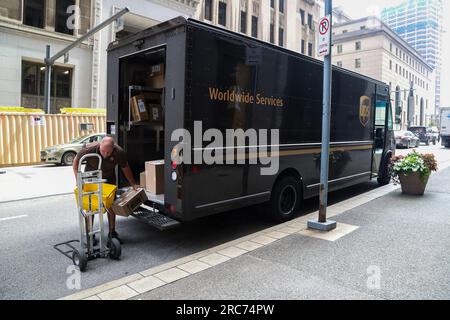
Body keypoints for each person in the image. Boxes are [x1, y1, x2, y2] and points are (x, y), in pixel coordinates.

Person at [73, 136, 139, 244]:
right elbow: (76, 162)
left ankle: (112, 232)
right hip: (91, 180)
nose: (106, 154)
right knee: (91, 207)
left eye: (109, 152)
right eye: (103, 151)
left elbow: (125, 167)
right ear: (100, 145)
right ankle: (89, 234)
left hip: (108, 180)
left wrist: (133, 184)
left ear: (113, 148)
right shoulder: (89, 149)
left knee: (111, 205)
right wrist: (78, 180)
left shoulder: (119, 152)